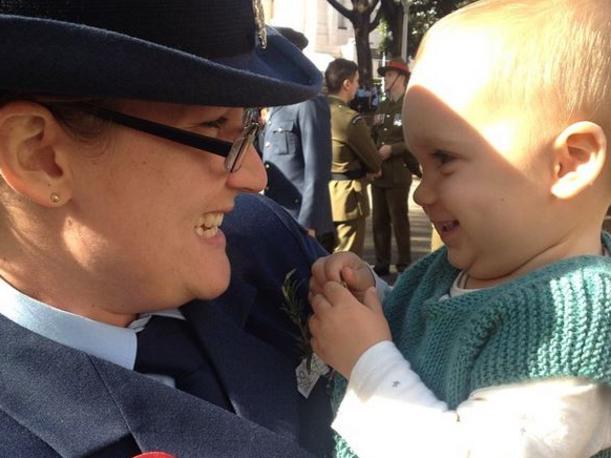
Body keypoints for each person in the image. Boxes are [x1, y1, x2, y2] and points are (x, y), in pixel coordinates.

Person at [0, 1, 333, 456]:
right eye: (216, 127)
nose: (256, 177)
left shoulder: (265, 245)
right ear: (40, 157)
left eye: (251, 128)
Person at [309, 0, 611, 457]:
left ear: (569, 164)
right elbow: (423, 332)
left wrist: (365, 360)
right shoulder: (453, 270)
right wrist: (369, 297)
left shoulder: (574, 330)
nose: (421, 194)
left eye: (444, 159)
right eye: (419, 164)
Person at [261, 28, 335, 252]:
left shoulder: (308, 103)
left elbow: (317, 169)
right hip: (278, 213)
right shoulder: (275, 104)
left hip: (301, 220)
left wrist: (308, 223)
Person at [325, 58, 382, 257]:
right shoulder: (349, 119)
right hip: (346, 199)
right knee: (344, 263)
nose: (358, 86)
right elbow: (374, 161)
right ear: (346, 84)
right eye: (356, 81)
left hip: (320, 197)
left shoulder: (314, 110)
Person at [371, 58, 420, 276]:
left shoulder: (410, 105)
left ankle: (404, 263)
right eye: (385, 75)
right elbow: (373, 135)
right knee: (379, 220)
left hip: (399, 171)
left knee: (399, 219)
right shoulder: (382, 104)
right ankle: (382, 262)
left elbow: (415, 138)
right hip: (380, 171)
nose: (386, 79)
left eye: (390, 75)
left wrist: (394, 149)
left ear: (402, 77)